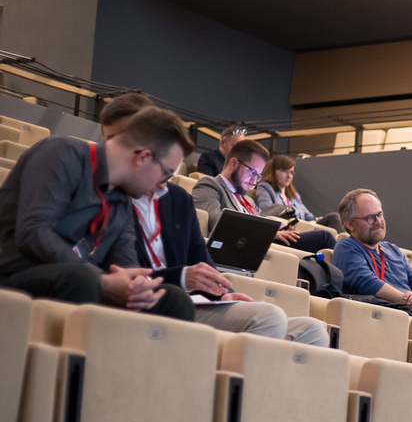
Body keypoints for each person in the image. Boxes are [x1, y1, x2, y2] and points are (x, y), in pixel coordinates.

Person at [99, 94, 328, 346]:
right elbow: (125, 271)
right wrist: (182, 277)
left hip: (195, 300)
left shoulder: (177, 198)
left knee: (313, 330)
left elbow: (202, 259)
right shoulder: (108, 195)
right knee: (269, 317)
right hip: (164, 300)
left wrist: (224, 295)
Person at [0, 106, 195, 321]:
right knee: (81, 279)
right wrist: (101, 279)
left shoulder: (123, 198)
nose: (163, 187)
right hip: (14, 277)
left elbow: (125, 261)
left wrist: (136, 286)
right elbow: (33, 233)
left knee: (174, 300)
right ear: (143, 157)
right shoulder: (61, 153)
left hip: (84, 283)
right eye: (166, 174)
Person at [191, 139, 336, 254]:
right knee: (324, 237)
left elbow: (261, 222)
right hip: (241, 247)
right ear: (234, 163)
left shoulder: (248, 200)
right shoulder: (209, 186)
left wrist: (277, 230)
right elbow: (218, 222)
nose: (254, 181)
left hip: (263, 246)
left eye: (258, 176)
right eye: (252, 172)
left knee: (318, 265)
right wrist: (268, 234)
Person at [332, 188, 412, 318]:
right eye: (370, 218)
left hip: (410, 313)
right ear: (349, 224)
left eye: (380, 214)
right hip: (380, 316)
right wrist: (409, 303)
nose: (378, 222)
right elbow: (367, 283)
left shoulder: (393, 250)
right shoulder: (346, 247)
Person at [254, 155, 341, 231]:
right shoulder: (265, 187)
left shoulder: (294, 195)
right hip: (288, 228)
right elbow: (266, 210)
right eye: (284, 170)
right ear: (273, 171)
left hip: (304, 226)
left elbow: (308, 216)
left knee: (333, 217)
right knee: (325, 235)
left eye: (291, 172)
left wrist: (312, 222)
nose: (289, 175)